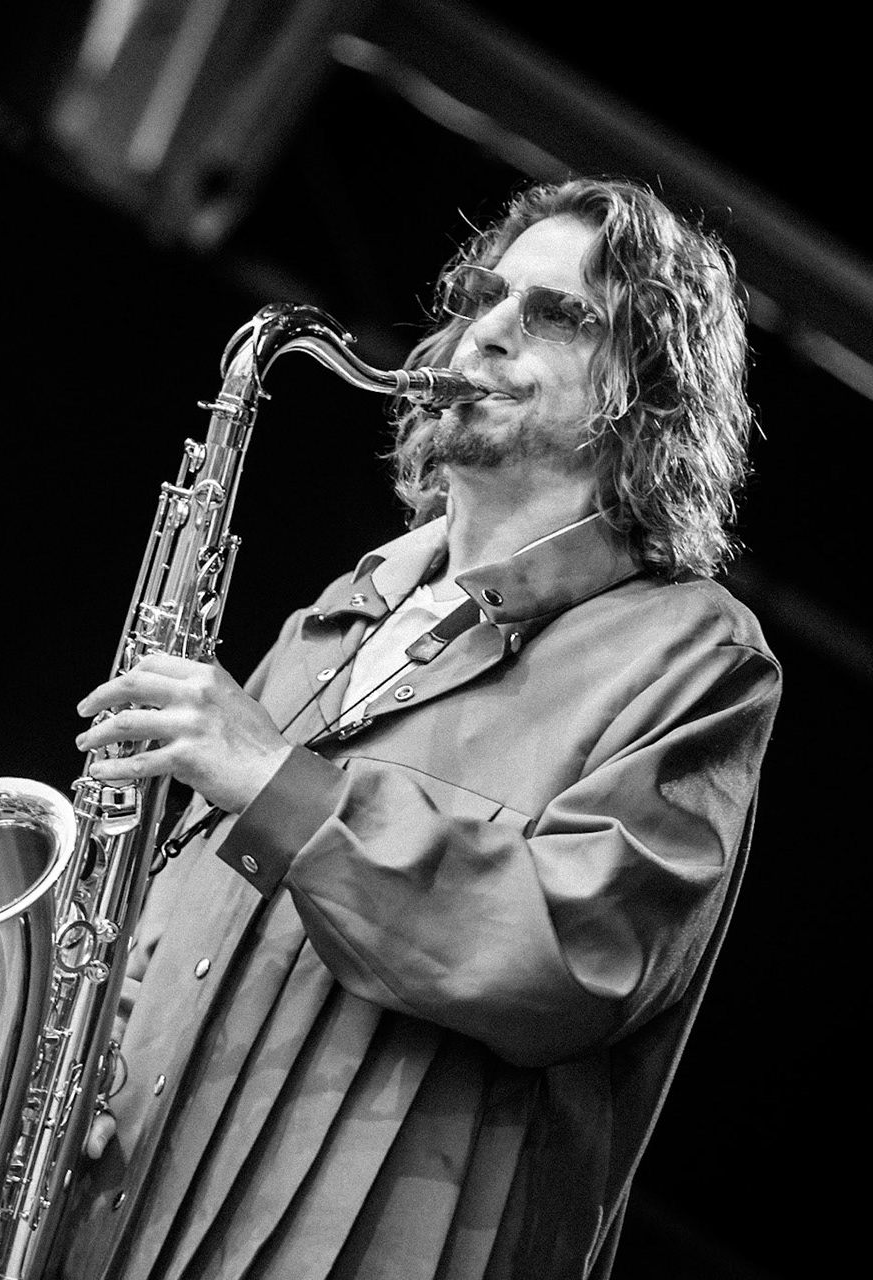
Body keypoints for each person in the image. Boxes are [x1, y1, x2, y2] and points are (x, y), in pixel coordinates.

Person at [61, 176, 781, 1279]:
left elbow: (573, 958)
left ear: (652, 389)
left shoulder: (691, 654)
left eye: (557, 313)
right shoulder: (332, 621)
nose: (486, 329)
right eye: (485, 296)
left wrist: (280, 784)